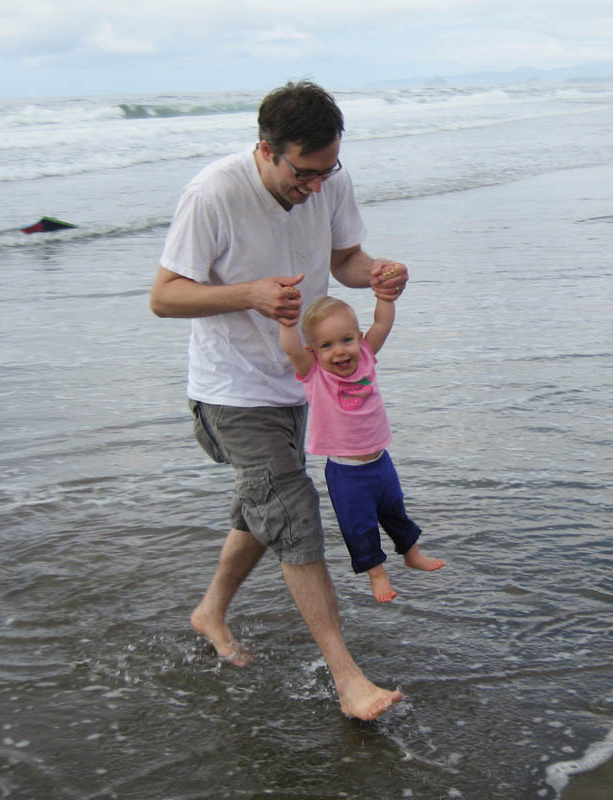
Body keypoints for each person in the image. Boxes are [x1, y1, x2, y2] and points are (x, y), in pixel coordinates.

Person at [149, 80, 406, 721]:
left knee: (262, 505)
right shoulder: (213, 193)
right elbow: (165, 296)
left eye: (327, 171)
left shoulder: (327, 178)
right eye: (304, 173)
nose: (316, 186)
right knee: (291, 508)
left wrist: (379, 274)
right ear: (267, 150)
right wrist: (249, 294)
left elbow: (344, 259)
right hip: (232, 391)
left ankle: (210, 611)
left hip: (301, 381)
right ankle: (348, 680)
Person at [279, 289, 445, 603]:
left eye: (346, 340)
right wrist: (287, 322)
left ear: (359, 339)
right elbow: (290, 348)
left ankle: (412, 554)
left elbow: (382, 324)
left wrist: (385, 297)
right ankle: (377, 573)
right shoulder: (314, 373)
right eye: (327, 345)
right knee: (359, 525)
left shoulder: (366, 357)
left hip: (381, 461)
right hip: (347, 473)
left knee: (395, 511)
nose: (340, 352)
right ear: (313, 351)